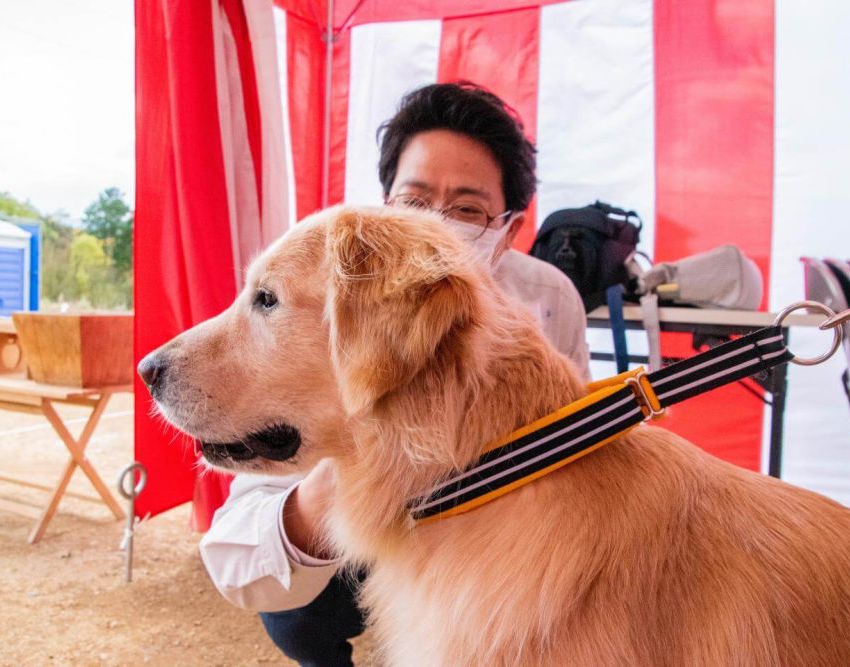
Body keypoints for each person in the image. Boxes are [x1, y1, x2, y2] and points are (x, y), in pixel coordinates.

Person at [199, 82, 589, 666]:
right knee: (298, 611)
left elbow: (573, 453)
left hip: (500, 547)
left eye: (467, 210)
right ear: (382, 206)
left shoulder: (550, 297)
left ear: (507, 229)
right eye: (413, 202)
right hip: (357, 545)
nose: (435, 227)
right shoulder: (329, 295)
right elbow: (237, 557)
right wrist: (351, 478)